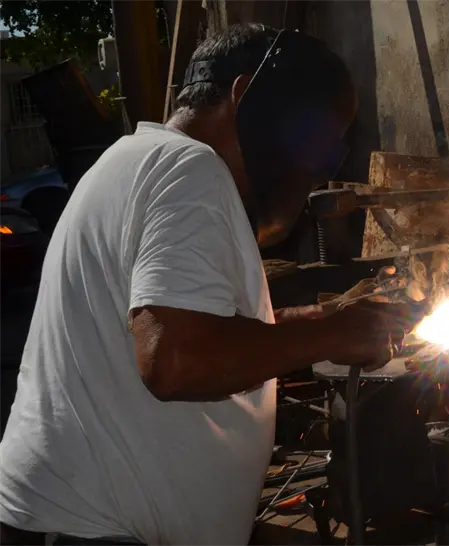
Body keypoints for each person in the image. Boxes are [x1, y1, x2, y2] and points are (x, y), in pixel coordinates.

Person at [0, 23, 410, 546]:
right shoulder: (192, 171)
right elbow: (174, 359)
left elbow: (173, 325)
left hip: (67, 521)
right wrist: (331, 335)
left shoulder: (131, 158)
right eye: (315, 141)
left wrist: (305, 323)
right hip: (97, 531)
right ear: (246, 97)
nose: (316, 168)